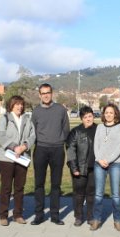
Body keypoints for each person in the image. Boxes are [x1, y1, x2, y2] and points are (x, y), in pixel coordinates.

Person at [31, 83, 70, 225]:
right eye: (43, 93)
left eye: (48, 92)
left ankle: (55, 215)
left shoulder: (60, 109)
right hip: (41, 149)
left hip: (57, 150)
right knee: (39, 184)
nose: (46, 95)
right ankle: (39, 215)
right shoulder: (36, 112)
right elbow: (32, 132)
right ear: (40, 95)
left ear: (52, 93)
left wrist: (60, 141)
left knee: (56, 184)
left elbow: (66, 129)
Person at [0, 95, 36, 226]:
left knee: (19, 187)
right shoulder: (5, 118)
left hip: (22, 157)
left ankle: (18, 214)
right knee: (6, 187)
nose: (20, 106)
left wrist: (24, 146)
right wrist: (14, 147)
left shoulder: (27, 119)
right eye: (17, 104)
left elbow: (32, 135)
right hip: (7, 157)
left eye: (21, 104)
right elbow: (0, 135)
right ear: (11, 105)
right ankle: (3, 215)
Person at [91, 103, 120, 231]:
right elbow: (96, 145)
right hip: (99, 163)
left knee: (116, 194)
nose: (109, 115)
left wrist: (109, 160)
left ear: (115, 114)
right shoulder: (100, 127)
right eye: (106, 113)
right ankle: (96, 219)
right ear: (103, 114)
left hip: (115, 163)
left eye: (111, 112)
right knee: (98, 194)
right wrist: (100, 159)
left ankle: (117, 220)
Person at [66, 106, 97, 227]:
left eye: (90, 116)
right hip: (80, 168)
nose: (88, 119)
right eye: (85, 117)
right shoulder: (76, 132)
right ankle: (78, 217)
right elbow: (70, 150)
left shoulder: (99, 129)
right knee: (79, 194)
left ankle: (90, 217)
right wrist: (74, 168)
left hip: (95, 168)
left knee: (91, 193)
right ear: (81, 118)